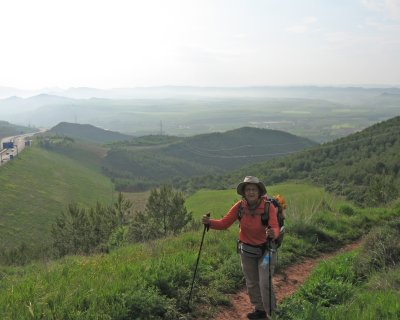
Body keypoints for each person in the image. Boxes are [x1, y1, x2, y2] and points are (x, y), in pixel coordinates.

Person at [202, 176, 280, 320]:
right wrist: (209, 222)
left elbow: (275, 227)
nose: (250, 192)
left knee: (264, 282)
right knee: (251, 282)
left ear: (259, 192)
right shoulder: (240, 207)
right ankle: (260, 310)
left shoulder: (269, 207)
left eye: (253, 189)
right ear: (244, 193)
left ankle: (272, 313)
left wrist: (272, 233)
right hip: (247, 250)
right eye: (248, 189)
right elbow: (224, 223)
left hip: (266, 251)